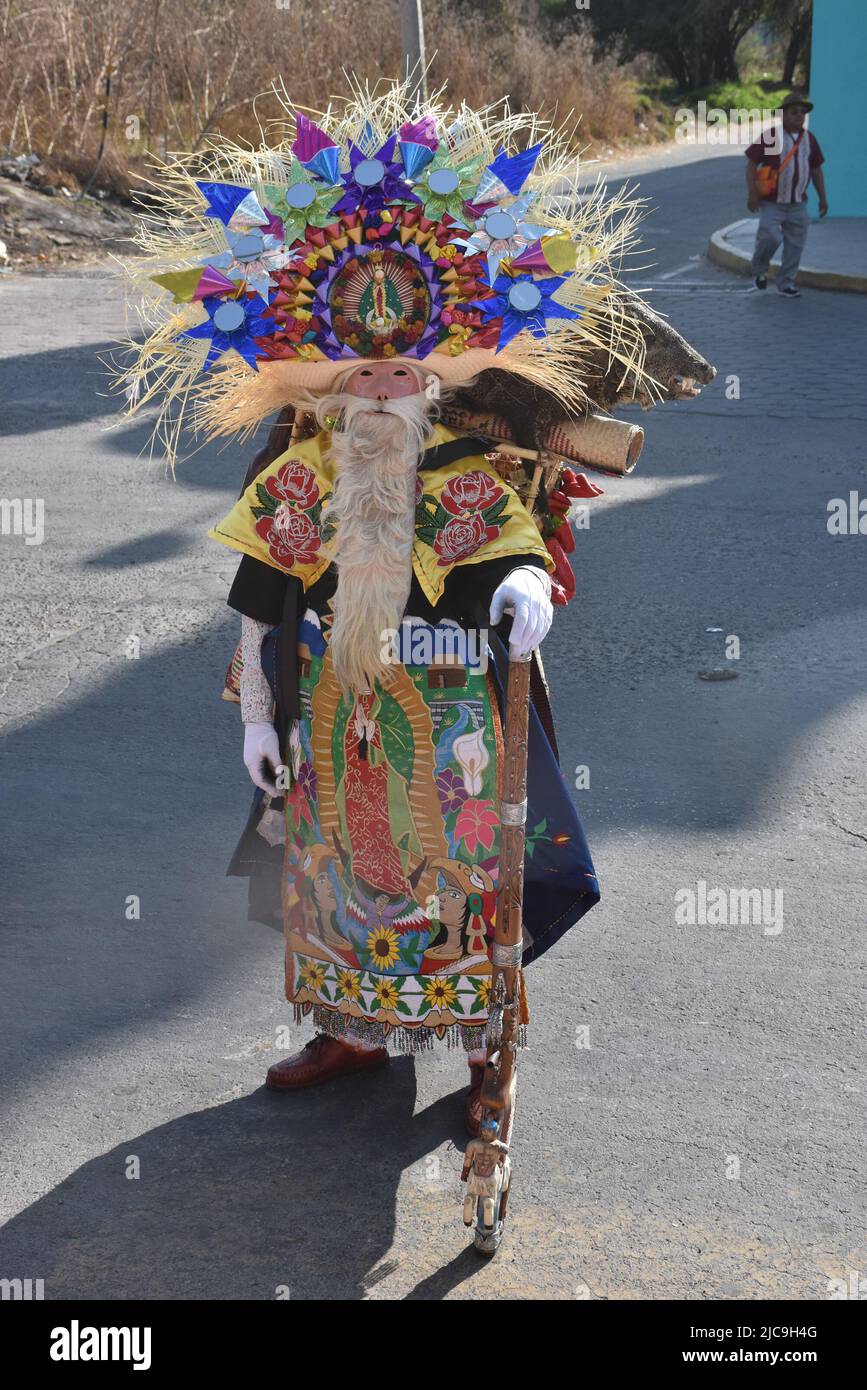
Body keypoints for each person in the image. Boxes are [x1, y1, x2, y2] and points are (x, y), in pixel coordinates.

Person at [116, 79, 702, 1137]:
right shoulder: (297, 470)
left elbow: (506, 554)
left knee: (469, 881)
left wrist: (527, 589)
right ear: (329, 373)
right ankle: (352, 1027)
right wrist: (256, 712)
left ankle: (487, 1050)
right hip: (335, 719)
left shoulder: (465, 467)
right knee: (339, 880)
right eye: (363, 367)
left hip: (458, 723)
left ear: (434, 370)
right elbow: (259, 596)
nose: (383, 382)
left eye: (402, 365)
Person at [746, 90, 828, 298]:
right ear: (784, 114)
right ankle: (759, 270)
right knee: (770, 237)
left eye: (802, 112)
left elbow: (816, 169)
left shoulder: (809, 139)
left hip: (797, 203)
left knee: (795, 244)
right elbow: (751, 164)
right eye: (794, 111)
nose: (799, 115)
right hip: (773, 202)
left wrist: (822, 197)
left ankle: (786, 282)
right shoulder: (772, 136)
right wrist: (752, 193)